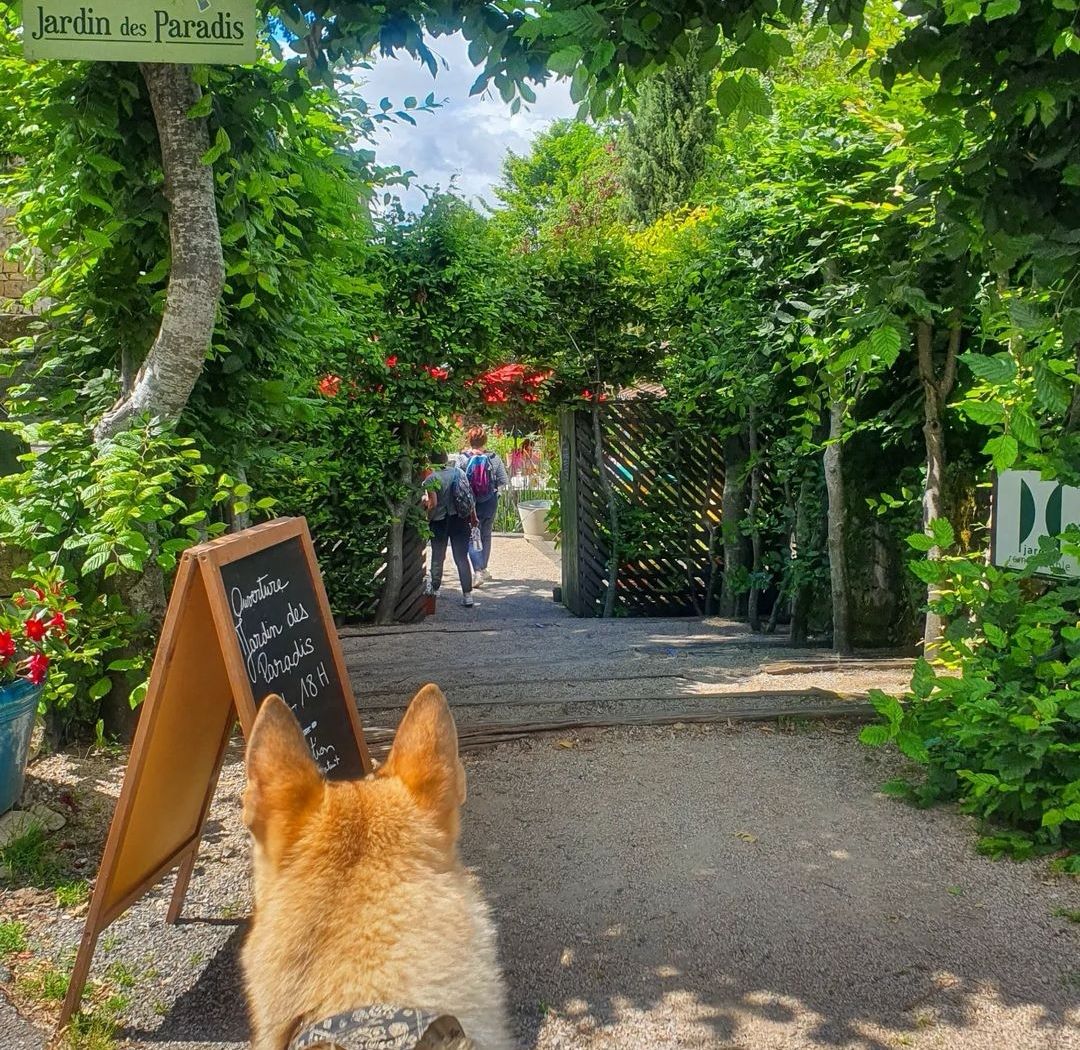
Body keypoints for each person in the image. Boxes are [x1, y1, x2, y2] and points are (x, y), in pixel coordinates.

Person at [424, 451, 477, 608]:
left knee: (438, 556)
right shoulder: (459, 472)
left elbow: (433, 504)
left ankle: (435, 588)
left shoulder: (431, 479)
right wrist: (473, 516)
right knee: (461, 558)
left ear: (431, 461)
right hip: (460, 520)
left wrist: (427, 518)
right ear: (446, 460)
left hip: (440, 522)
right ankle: (467, 595)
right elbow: (468, 495)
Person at [461, 426, 509, 586]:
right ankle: (484, 568)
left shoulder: (463, 458)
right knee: (486, 534)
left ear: (469, 440)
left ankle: (477, 571)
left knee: (471, 534)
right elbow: (503, 480)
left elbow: (458, 481)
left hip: (470, 502)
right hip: (489, 501)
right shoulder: (494, 457)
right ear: (485, 440)